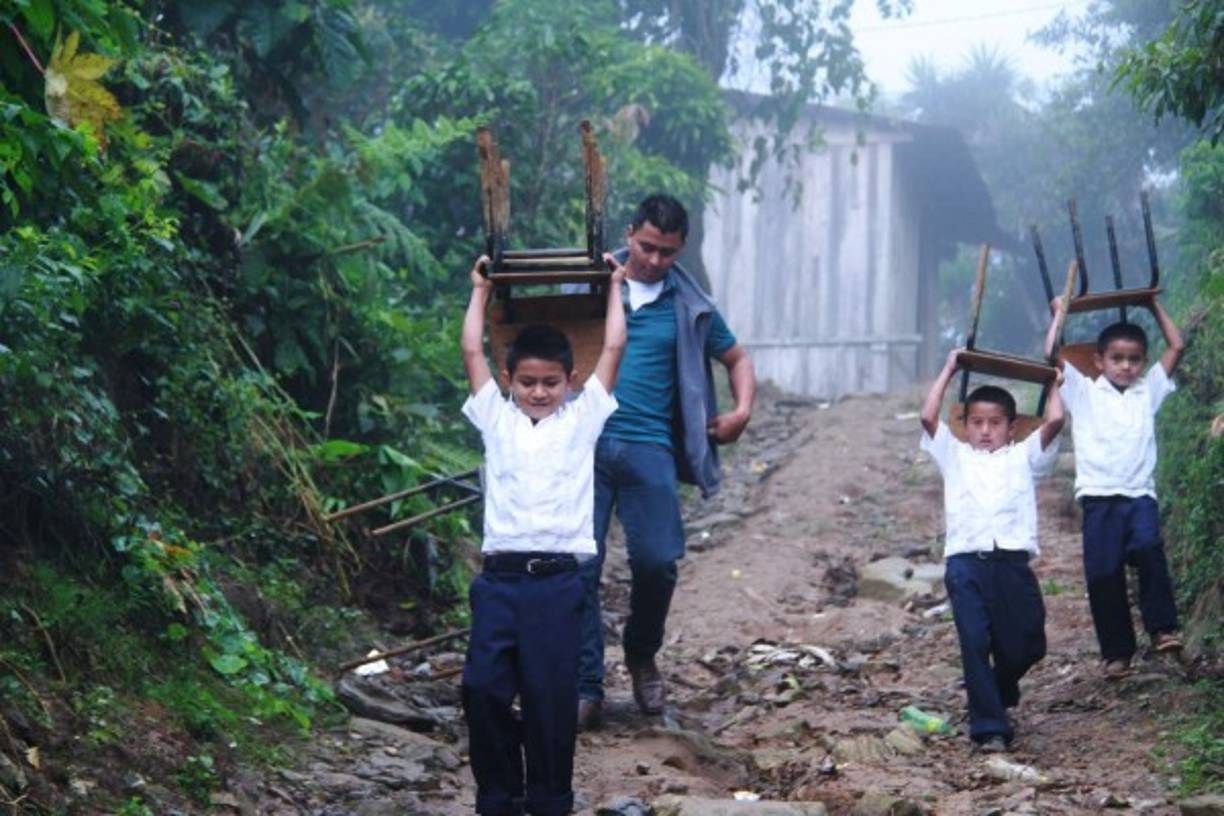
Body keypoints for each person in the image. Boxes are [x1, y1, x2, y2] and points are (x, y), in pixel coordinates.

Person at [577, 194, 756, 729]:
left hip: (649, 446)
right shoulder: (592, 281)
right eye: (648, 246)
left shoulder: (688, 302)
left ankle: (640, 651)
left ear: (681, 250)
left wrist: (742, 409)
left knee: (657, 562)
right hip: (581, 447)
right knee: (578, 564)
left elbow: (736, 356)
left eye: (668, 253)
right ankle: (585, 684)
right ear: (630, 232)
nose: (654, 260)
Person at [459, 252, 626, 816]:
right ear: (509, 380)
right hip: (500, 584)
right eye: (527, 381)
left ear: (568, 381)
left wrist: (615, 287)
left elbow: (612, 348)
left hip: (558, 586)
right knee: (482, 691)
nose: (537, 391)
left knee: (550, 704)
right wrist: (480, 291)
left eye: (549, 382)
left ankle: (549, 801)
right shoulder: (495, 418)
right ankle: (499, 798)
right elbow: (469, 350)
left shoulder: (581, 421)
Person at [919, 348, 1065, 752]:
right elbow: (928, 418)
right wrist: (949, 368)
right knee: (974, 641)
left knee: (1029, 643)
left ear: (1012, 427)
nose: (985, 430)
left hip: (1013, 564)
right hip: (966, 563)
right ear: (964, 425)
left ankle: (1000, 690)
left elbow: (1055, 419)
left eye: (995, 423)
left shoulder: (1024, 457)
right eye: (977, 423)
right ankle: (989, 728)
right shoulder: (955, 455)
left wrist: (1056, 378)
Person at [1051, 298, 1186, 680]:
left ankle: (1163, 629)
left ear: (1143, 362)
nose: (1126, 366)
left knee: (1148, 549)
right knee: (1103, 573)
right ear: (1099, 361)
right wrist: (1060, 312)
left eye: (1134, 359)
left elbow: (1176, 346)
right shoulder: (1083, 391)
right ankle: (1118, 653)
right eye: (1117, 358)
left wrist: (1154, 304)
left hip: (1140, 495)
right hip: (1098, 497)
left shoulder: (1149, 391)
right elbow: (1051, 352)